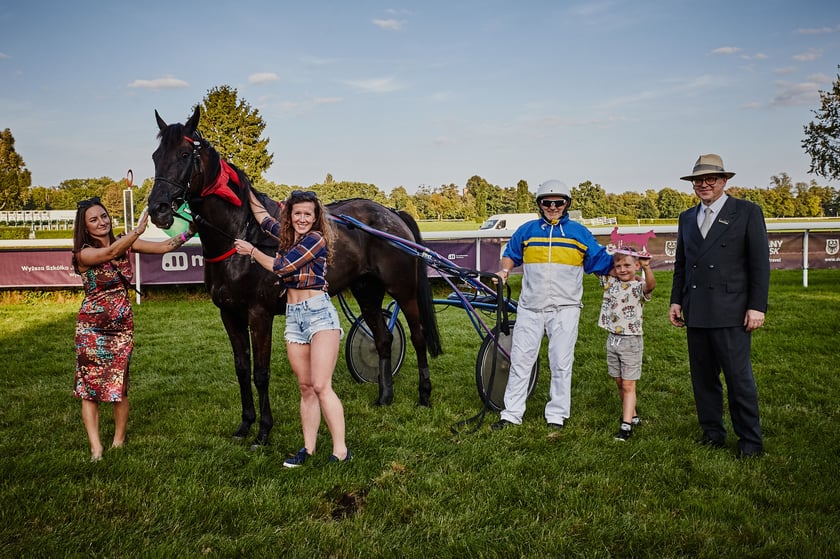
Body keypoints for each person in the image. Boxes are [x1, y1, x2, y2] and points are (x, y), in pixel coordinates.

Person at [72, 197, 195, 462]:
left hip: (122, 329)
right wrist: (138, 230)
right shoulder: (82, 253)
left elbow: (164, 247)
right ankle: (96, 447)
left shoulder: (125, 243)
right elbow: (108, 254)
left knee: (119, 385)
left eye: (103, 216)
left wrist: (189, 232)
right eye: (93, 220)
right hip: (91, 330)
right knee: (89, 389)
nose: (101, 222)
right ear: (84, 227)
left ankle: (118, 441)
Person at [233, 190, 350, 466]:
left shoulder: (316, 239)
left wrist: (251, 250)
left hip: (320, 316)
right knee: (306, 387)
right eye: (297, 213)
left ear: (315, 216)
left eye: (307, 213)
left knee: (322, 386)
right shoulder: (287, 237)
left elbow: (281, 266)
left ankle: (341, 452)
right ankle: (307, 450)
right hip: (294, 316)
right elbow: (263, 219)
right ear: (290, 215)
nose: (302, 218)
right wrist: (246, 189)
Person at [491, 180, 614, 431]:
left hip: (565, 308)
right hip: (530, 307)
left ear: (567, 204)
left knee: (560, 361)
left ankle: (556, 415)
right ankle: (511, 413)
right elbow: (510, 254)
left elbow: (600, 261)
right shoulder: (526, 231)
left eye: (559, 202)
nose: (553, 207)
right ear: (539, 204)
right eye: (547, 202)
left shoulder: (579, 233)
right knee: (521, 360)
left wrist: (628, 265)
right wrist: (504, 272)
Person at [669, 154, 769, 458]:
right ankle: (712, 433)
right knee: (703, 379)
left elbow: (760, 265)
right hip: (696, 309)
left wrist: (757, 306)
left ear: (724, 181)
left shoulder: (748, 212)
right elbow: (682, 263)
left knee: (739, 380)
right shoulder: (687, 217)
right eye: (699, 180)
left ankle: (750, 441)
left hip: (732, 311)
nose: (704, 184)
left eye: (711, 179)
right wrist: (676, 300)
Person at [598, 251, 655, 441]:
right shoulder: (610, 283)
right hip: (612, 339)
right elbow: (595, 266)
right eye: (618, 266)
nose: (622, 270)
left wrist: (647, 267)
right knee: (619, 382)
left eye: (627, 265)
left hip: (631, 340)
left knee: (629, 384)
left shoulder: (638, 286)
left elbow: (651, 286)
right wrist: (611, 269)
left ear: (637, 266)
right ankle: (634, 415)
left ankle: (626, 426)